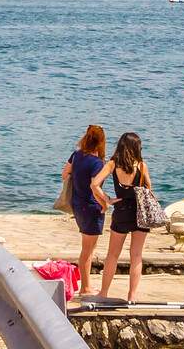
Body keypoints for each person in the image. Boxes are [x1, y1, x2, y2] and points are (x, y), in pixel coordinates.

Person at [96, 131, 153, 301]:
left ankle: (104, 293)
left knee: (112, 254)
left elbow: (94, 184)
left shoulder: (113, 164)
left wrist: (107, 200)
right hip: (139, 213)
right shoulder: (142, 166)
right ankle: (132, 296)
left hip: (121, 211)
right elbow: (149, 189)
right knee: (136, 255)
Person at [61, 124, 110, 289]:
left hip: (77, 204)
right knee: (88, 250)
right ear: (101, 142)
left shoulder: (76, 155)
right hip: (91, 207)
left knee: (87, 248)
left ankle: (85, 285)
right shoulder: (97, 163)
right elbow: (94, 187)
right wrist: (105, 204)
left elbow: (64, 174)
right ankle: (85, 287)